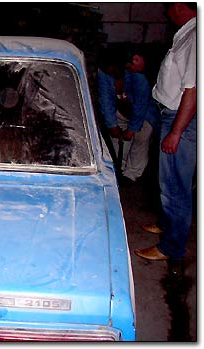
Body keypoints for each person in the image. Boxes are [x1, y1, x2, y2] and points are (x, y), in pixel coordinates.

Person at [135, 2, 196, 261]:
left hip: (179, 119)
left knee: (175, 187)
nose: (167, 10)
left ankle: (171, 247)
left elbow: (193, 91)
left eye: (171, 5)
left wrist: (176, 132)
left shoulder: (196, 37)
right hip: (168, 114)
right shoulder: (186, 32)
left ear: (183, 7)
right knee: (167, 179)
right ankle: (166, 223)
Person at [97, 46, 159, 185]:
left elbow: (141, 104)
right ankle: (118, 169)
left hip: (143, 114)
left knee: (141, 138)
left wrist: (132, 129)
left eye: (113, 69)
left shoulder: (136, 75)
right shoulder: (103, 72)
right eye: (108, 71)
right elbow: (105, 99)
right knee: (116, 140)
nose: (111, 72)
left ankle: (132, 174)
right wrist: (112, 125)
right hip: (121, 111)